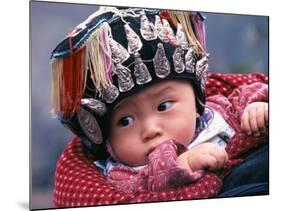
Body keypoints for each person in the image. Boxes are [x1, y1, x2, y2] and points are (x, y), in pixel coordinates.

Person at [51, 6, 268, 200]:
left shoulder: (217, 112)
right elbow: (144, 188)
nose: (150, 130)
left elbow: (246, 96)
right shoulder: (123, 174)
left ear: (196, 103)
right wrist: (184, 165)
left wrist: (256, 110)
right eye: (125, 120)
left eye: (164, 106)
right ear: (108, 144)